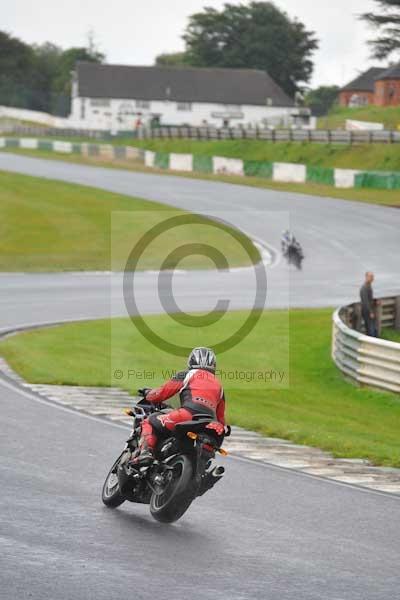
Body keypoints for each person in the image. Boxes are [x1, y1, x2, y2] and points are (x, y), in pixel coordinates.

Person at [132, 347, 226, 465]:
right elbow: (221, 418)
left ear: (191, 362)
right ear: (213, 365)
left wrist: (148, 394)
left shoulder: (188, 374)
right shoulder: (219, 386)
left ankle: (146, 453)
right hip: (212, 425)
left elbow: (161, 394)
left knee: (150, 421)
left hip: (187, 415)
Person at [360, 272, 378, 337]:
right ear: (366, 277)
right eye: (371, 277)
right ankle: (372, 342)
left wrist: (375, 302)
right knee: (370, 329)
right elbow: (365, 302)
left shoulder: (369, 286)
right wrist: (370, 312)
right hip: (367, 311)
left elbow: (369, 299)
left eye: (373, 277)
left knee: (372, 327)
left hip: (370, 310)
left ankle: (374, 341)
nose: (372, 278)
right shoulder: (364, 288)